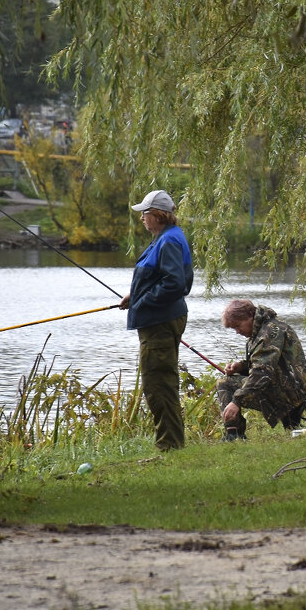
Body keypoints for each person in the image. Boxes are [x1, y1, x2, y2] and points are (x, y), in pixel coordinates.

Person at [119, 189, 193, 451]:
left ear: (159, 216)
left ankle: (169, 445)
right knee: (160, 382)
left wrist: (143, 300)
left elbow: (175, 284)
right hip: (160, 319)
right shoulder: (166, 237)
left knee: (158, 384)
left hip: (160, 322)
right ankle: (171, 443)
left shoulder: (169, 241)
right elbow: (162, 278)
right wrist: (135, 295)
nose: (142, 219)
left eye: (145, 214)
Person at [216, 299, 306, 441]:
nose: (237, 331)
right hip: (290, 388)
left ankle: (233, 434)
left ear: (250, 316)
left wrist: (236, 401)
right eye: (234, 329)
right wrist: (241, 367)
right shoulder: (264, 329)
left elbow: (262, 373)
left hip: (290, 393)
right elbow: (267, 364)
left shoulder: (269, 332)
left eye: (237, 326)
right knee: (292, 430)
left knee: (224, 383)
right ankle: (235, 434)